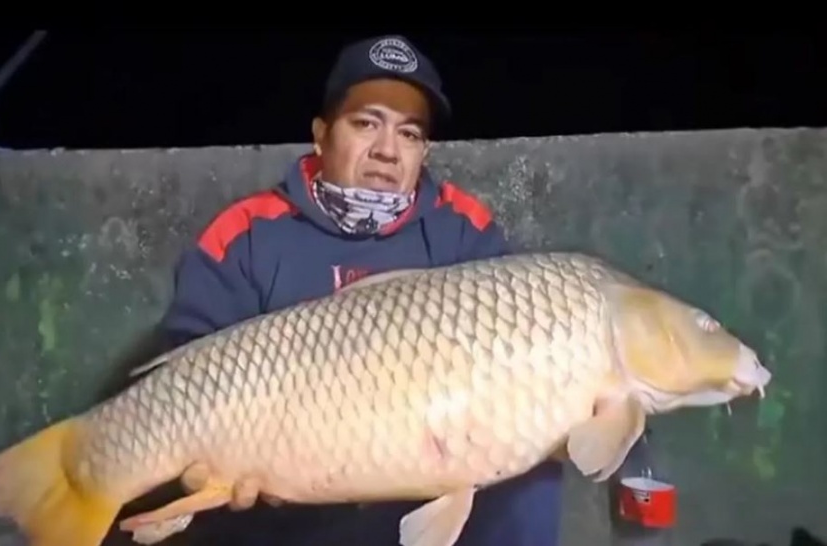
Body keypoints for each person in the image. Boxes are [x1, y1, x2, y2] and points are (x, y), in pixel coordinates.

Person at [158, 34, 564, 546]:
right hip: (286, 497)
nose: (387, 151)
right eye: (366, 123)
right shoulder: (245, 234)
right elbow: (186, 371)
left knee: (535, 472)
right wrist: (213, 461)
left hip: (420, 477)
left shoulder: (464, 231)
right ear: (321, 134)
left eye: (410, 133)